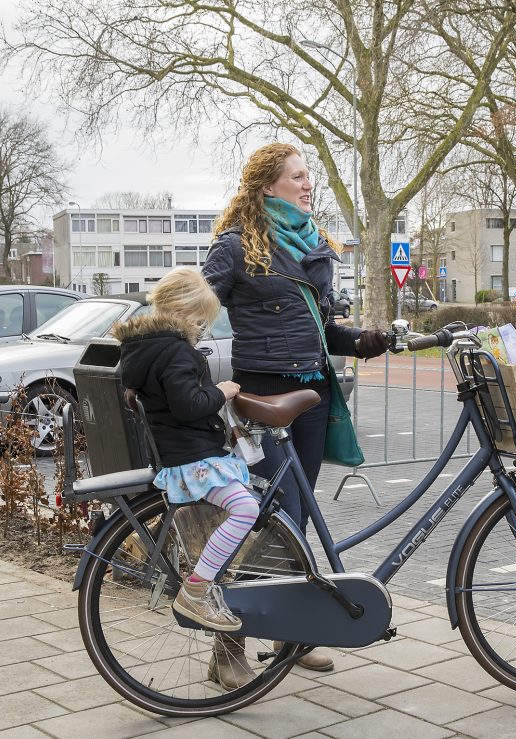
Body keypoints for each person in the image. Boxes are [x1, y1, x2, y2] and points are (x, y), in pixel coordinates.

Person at [201, 142, 390, 673]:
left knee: (296, 518)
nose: (309, 185)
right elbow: (194, 309)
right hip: (265, 397)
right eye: (298, 176)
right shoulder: (236, 246)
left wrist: (364, 340)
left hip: (312, 397)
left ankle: (291, 635)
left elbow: (322, 329)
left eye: (310, 177)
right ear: (267, 185)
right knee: (267, 520)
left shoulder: (311, 241)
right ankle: (227, 646)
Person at [111, 267, 261, 688]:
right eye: (200, 321)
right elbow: (188, 404)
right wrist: (224, 391)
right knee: (245, 508)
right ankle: (197, 589)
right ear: (182, 312)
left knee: (242, 505)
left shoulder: (141, 349)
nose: (200, 330)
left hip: (179, 458)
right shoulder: (176, 351)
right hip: (194, 460)